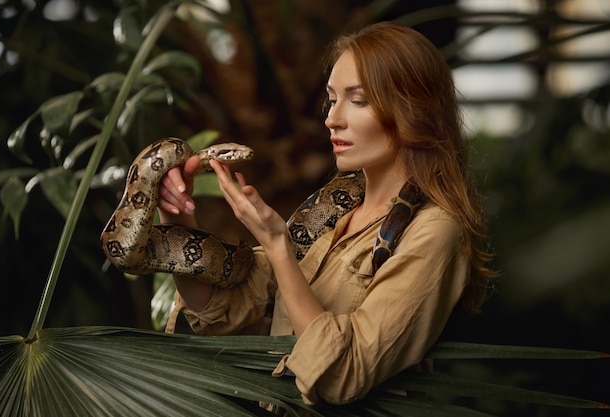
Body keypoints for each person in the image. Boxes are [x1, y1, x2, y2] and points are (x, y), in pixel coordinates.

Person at [157, 21, 495, 406]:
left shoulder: (435, 230)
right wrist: (177, 218)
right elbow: (220, 312)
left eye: (358, 99)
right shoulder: (332, 211)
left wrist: (278, 245)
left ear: (411, 108)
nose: (332, 119)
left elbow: (343, 376)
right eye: (332, 99)